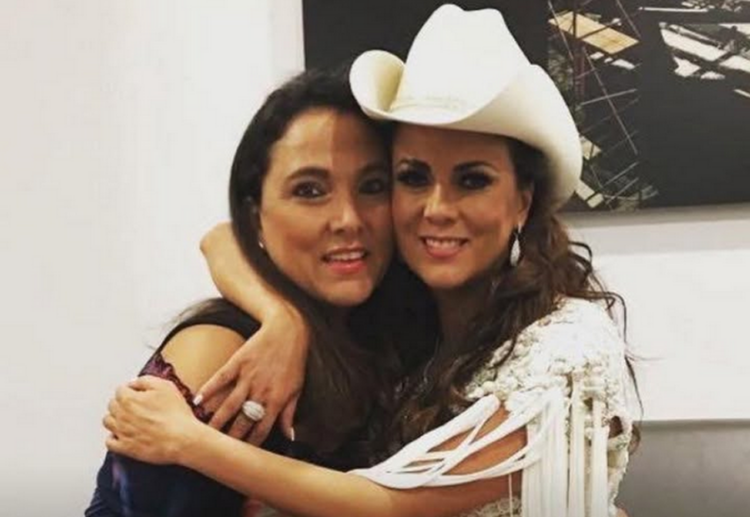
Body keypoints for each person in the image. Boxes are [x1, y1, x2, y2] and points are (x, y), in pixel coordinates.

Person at [104, 5, 637, 517]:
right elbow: (219, 238)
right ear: (254, 211)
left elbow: (394, 505)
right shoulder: (230, 353)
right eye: (412, 178)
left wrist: (193, 442)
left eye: (473, 180)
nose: (349, 219)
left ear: (523, 200)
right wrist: (283, 320)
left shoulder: (556, 345)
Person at [86, 68, 430, 516]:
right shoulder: (219, 356)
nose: (348, 219)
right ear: (255, 216)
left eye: (372, 187)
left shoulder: (390, 336)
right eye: (310, 190)